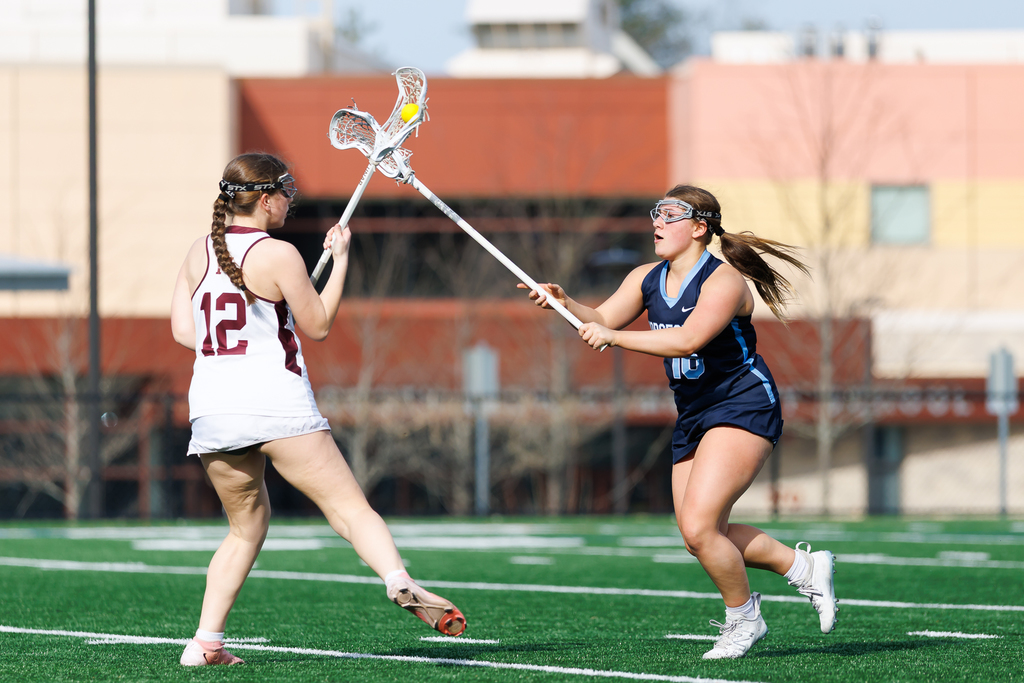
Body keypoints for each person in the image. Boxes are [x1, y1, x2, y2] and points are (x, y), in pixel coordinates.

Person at [170, 152, 466, 667]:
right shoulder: (279, 253)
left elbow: (182, 332)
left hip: (214, 410)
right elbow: (320, 323)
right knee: (350, 509)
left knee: (245, 529)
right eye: (286, 194)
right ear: (265, 198)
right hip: (277, 405)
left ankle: (206, 643)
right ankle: (399, 579)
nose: (290, 204)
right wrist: (342, 259)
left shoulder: (199, 251)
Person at [521, 185, 837, 660]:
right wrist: (564, 302)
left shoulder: (724, 282)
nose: (657, 224)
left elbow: (688, 340)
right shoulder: (647, 277)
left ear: (699, 227)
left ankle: (744, 620)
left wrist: (615, 339)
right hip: (693, 413)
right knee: (699, 536)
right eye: (656, 214)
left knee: (700, 524)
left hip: (742, 404)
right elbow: (603, 316)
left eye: (669, 216)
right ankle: (803, 567)